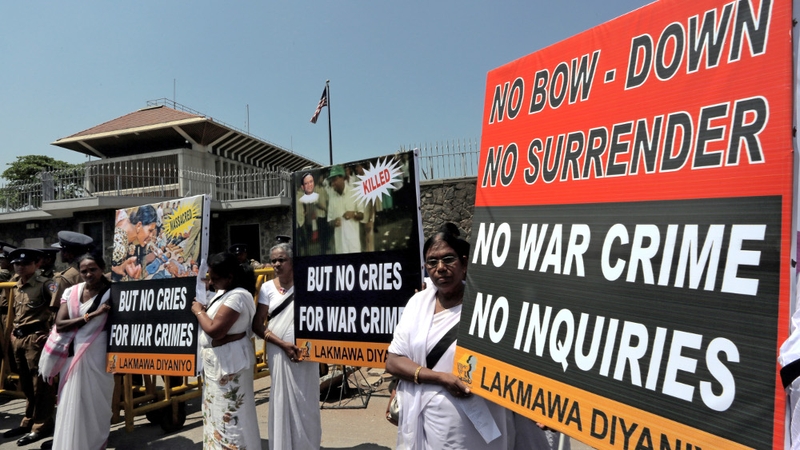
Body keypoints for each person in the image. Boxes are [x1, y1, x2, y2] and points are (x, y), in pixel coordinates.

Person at [385, 225, 515, 449]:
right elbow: (393, 361)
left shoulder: (487, 306)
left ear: (464, 263)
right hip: (425, 417)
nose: (440, 268)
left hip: (475, 421)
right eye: (432, 262)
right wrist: (440, 378)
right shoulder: (417, 303)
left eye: (448, 259)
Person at [252, 241, 321, 450]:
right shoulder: (266, 288)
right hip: (278, 352)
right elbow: (258, 324)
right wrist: (283, 344)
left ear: (292, 261)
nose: (276, 264)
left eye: (281, 260)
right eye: (273, 261)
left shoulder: (309, 283)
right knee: (282, 398)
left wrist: (308, 347)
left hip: (306, 352)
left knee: (306, 398)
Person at [191, 252, 260, 450]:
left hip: (230, 366)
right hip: (217, 365)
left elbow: (215, 330)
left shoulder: (238, 296)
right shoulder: (223, 293)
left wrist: (198, 311)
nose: (211, 282)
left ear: (229, 277)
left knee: (230, 418)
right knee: (214, 414)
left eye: (214, 278)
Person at [49, 253, 113, 450]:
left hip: (99, 351)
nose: (88, 274)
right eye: (84, 271)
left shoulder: (114, 292)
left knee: (97, 401)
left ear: (102, 269)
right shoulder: (71, 292)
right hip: (74, 352)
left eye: (93, 269)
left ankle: (94, 444)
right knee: (72, 401)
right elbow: (60, 324)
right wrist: (92, 315)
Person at [3, 249, 58, 446]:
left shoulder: (45, 284)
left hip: (36, 339)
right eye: (17, 264)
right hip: (19, 338)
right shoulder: (16, 285)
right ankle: (28, 420)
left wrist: (51, 332)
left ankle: (42, 424)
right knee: (25, 382)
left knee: (40, 384)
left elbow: (60, 307)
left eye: (25, 264)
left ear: (36, 264)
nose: (20, 267)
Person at [112, 205, 158, 281]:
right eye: (150, 231)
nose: (151, 236)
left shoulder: (127, 223)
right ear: (139, 225)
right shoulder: (119, 248)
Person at [327, 165, 364, 254]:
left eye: (335, 180)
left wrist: (353, 214)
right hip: (340, 246)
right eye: (331, 181)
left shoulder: (354, 192)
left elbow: (362, 215)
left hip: (353, 244)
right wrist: (334, 222)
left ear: (342, 178)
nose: (333, 183)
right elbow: (329, 221)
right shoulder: (332, 198)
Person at [51, 231, 94, 302]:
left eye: (61, 251)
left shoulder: (64, 278)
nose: (60, 253)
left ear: (68, 254)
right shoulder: (95, 272)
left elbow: (57, 306)